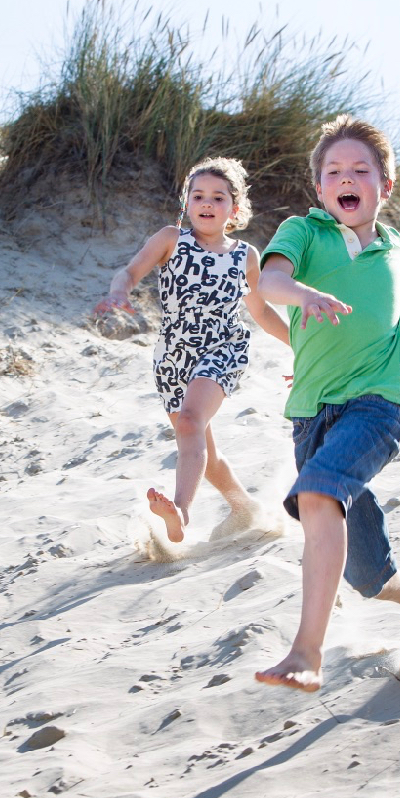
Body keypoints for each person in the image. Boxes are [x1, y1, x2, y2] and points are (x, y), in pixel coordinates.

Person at [253, 114, 400, 691]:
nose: (346, 178)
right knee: (366, 574)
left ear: (385, 186)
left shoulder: (393, 244)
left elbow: (399, 293)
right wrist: (302, 293)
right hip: (311, 412)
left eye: (360, 170)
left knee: (317, 493)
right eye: (334, 171)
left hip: (380, 404)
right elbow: (268, 284)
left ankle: (307, 652)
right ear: (320, 188)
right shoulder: (304, 234)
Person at [94, 157, 290, 543]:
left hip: (222, 348)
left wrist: (301, 346)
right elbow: (130, 271)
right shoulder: (171, 238)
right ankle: (246, 508)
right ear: (186, 202)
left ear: (234, 208)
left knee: (189, 423)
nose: (206, 202)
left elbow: (262, 313)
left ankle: (180, 512)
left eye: (218, 197)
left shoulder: (245, 256)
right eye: (198, 195)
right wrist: (119, 292)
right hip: (172, 358)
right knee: (202, 449)